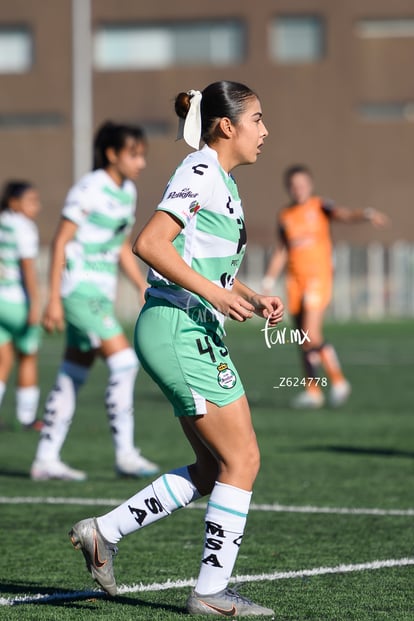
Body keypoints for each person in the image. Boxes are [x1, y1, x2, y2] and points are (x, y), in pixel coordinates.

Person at [68, 81, 283, 616]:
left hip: (192, 328)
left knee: (215, 469)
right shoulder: (201, 171)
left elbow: (203, 262)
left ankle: (104, 531)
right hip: (178, 328)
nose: (265, 130)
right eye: (257, 119)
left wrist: (250, 296)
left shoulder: (222, 181)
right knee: (244, 458)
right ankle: (210, 594)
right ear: (226, 125)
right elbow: (149, 243)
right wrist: (214, 293)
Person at [31, 121, 159, 481]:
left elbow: (120, 244)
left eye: (143, 155)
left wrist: (139, 284)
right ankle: (126, 455)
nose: (141, 163)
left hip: (99, 294)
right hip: (78, 290)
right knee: (124, 362)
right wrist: (53, 299)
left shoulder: (128, 191)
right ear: (112, 154)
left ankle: (45, 459)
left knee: (73, 372)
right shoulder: (88, 189)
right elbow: (60, 242)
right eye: (134, 155)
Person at [262, 164, 388, 409]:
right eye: (293, 185)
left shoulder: (320, 206)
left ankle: (339, 381)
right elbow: (281, 250)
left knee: (312, 334)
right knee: (302, 338)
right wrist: (268, 281)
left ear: (310, 185)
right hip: (294, 281)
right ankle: (313, 391)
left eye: (302, 184)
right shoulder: (285, 216)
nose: (298, 189)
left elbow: (344, 214)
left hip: (318, 278)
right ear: (288, 188)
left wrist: (367, 213)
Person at [0, 181, 42, 429]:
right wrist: (36, 303)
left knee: (3, 359)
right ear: (14, 202)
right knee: (27, 356)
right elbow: (28, 269)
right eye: (31, 201)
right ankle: (27, 418)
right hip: (17, 301)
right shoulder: (24, 227)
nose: (36, 207)